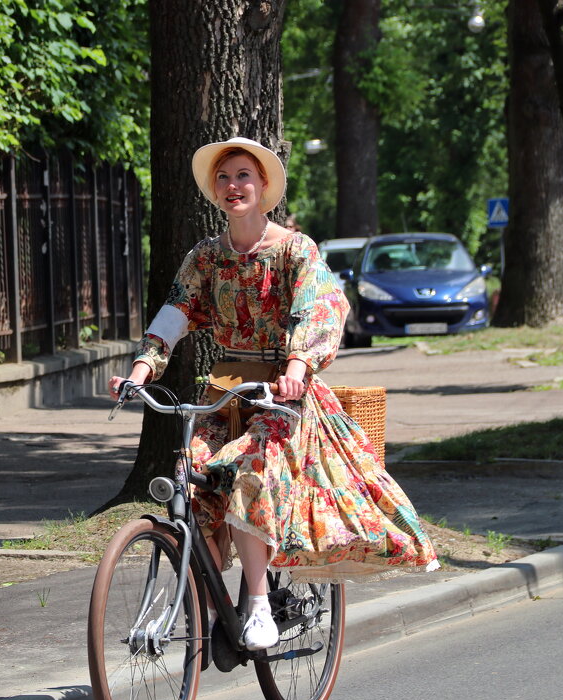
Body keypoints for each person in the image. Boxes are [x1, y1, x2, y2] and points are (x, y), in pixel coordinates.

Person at [109, 137, 439, 650]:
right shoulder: (205, 259)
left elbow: (321, 306)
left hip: (283, 395)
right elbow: (172, 316)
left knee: (250, 474)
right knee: (187, 482)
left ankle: (259, 604)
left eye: (243, 176)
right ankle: (197, 608)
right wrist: (140, 370)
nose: (233, 186)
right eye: (224, 178)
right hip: (225, 388)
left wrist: (298, 363)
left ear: (264, 187)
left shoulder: (294, 250)